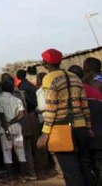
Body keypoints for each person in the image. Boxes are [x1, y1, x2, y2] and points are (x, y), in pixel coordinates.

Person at [37, 48, 95, 186]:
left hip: (61, 129)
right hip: (81, 128)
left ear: (45, 63)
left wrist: (45, 133)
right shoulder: (75, 77)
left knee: (71, 171)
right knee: (85, 167)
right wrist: (88, 127)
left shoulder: (49, 78)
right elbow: (84, 104)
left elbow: (51, 107)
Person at [0, 80, 29, 183]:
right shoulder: (17, 100)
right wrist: (12, 122)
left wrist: (6, 128)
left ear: (1, 89)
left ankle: (11, 178)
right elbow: (22, 114)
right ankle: (23, 177)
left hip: (5, 129)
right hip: (17, 127)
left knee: (7, 153)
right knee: (21, 152)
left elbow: (1, 116)